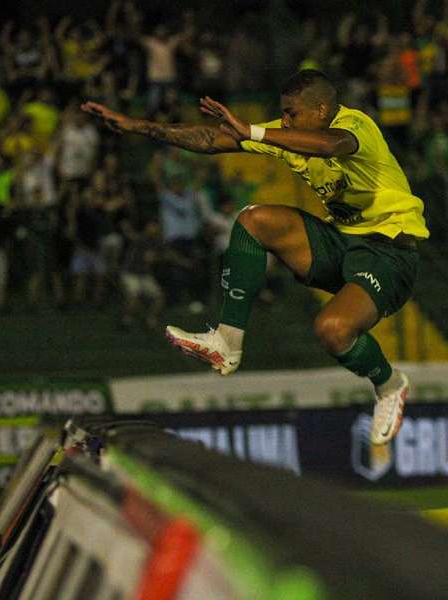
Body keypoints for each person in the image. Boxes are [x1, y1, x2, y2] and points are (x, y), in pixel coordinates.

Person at [82, 69, 429, 445]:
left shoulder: (355, 124)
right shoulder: (287, 135)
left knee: (332, 330)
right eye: (283, 114)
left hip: (389, 251)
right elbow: (212, 138)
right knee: (253, 219)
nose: (284, 120)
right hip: (342, 243)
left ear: (321, 109)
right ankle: (228, 341)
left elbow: (330, 146)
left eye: (292, 113)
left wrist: (255, 132)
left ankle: (390, 384)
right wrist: (140, 126)